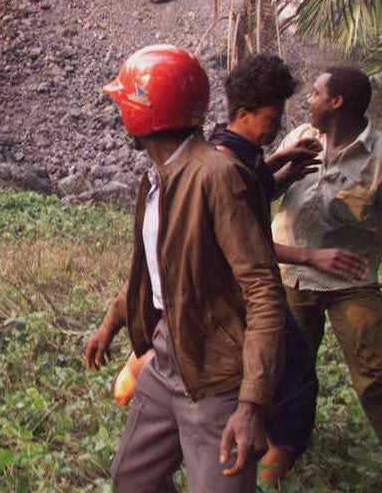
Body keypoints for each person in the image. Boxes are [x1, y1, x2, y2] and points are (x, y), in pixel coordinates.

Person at [86, 45, 287, 493]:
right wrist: (111, 325)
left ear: (144, 113)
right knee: (132, 478)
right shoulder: (157, 178)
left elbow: (263, 292)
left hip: (215, 371)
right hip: (165, 356)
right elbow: (157, 273)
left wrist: (251, 403)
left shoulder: (216, 176)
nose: (120, 115)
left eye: (125, 104)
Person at [271, 66, 382, 492]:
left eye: (315, 92)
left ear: (337, 102)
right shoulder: (299, 139)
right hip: (292, 275)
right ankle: (282, 449)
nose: (309, 98)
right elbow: (262, 190)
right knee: (286, 368)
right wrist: (283, 171)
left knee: (377, 376)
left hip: (352, 283)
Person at [208, 54, 323, 487]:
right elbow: (248, 238)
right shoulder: (230, 168)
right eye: (271, 118)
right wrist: (311, 257)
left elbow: (257, 184)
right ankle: (271, 473)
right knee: (296, 382)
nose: (277, 127)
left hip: (239, 293)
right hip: (251, 293)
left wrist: (283, 166)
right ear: (243, 114)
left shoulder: (236, 149)